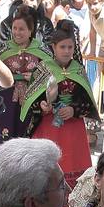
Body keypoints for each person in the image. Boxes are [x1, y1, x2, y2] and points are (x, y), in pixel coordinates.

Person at [21, 20, 97, 189]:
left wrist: (74, 110)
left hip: (73, 129)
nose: (67, 51)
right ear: (54, 47)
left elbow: (87, 100)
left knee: (73, 164)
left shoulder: (78, 69)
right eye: (62, 47)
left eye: (70, 47)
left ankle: (72, 205)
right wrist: (42, 106)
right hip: (49, 128)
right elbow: (30, 100)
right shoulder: (42, 69)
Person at [0, 6, 50, 143]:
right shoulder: (3, 50)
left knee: (27, 141)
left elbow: (52, 76)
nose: (17, 32)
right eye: (14, 28)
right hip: (7, 101)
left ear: (30, 31)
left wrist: (35, 77)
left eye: (21, 29)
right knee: (5, 140)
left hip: (32, 102)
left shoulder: (42, 51)